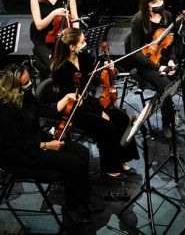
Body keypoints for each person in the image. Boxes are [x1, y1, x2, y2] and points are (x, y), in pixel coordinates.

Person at [0, 64, 100, 228]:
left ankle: (83, 200)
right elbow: (17, 141)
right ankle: (70, 208)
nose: (29, 84)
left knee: (81, 151)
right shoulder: (6, 108)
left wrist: (68, 97)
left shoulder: (24, 95)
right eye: (25, 82)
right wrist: (46, 145)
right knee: (72, 163)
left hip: (36, 139)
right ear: (14, 85)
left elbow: (47, 110)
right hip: (21, 153)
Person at [49, 28, 139, 179]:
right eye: (82, 42)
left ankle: (120, 159)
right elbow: (76, 99)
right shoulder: (62, 70)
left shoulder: (82, 56)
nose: (85, 44)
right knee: (107, 126)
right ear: (72, 47)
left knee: (122, 117)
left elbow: (94, 75)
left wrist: (107, 66)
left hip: (88, 101)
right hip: (74, 110)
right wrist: (99, 111)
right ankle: (109, 167)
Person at [130, 0, 185, 139]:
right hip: (147, 65)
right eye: (155, 2)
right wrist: (157, 67)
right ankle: (166, 122)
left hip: (167, 61)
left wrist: (172, 61)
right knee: (166, 86)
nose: (160, 3)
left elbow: (173, 43)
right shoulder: (138, 20)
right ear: (147, 3)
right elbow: (135, 53)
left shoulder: (167, 16)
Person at [29, 0, 79, 79]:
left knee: (76, 64)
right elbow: (39, 25)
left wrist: (75, 39)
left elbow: (75, 20)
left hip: (63, 39)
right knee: (57, 68)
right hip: (44, 41)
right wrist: (53, 14)